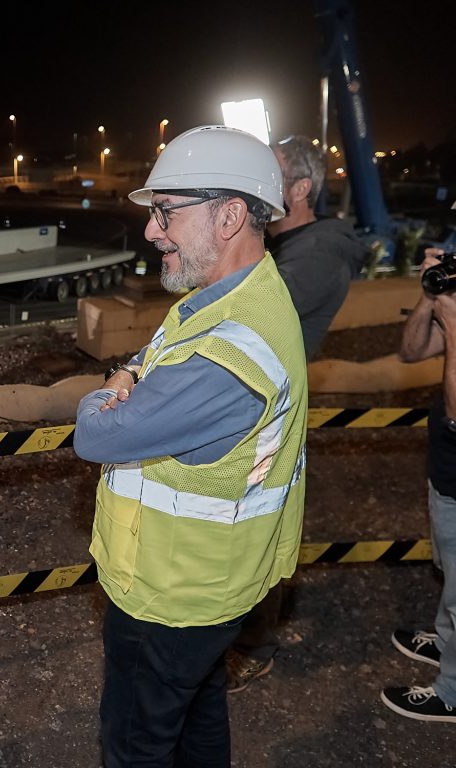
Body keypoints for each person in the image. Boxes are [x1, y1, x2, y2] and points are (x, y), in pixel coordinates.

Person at [73, 125, 309, 767]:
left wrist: (110, 385)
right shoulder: (230, 297)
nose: (152, 231)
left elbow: (94, 433)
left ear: (230, 215)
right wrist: (132, 372)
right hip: (206, 589)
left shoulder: (230, 354)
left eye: (166, 212)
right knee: (198, 711)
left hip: (172, 595)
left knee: (135, 741)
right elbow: (149, 360)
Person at [225, 134, 367, 693]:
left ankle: (253, 647)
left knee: (255, 528)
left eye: (273, 173)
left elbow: (244, 317)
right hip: (252, 403)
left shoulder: (314, 257)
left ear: (301, 189)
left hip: (265, 415)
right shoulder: (293, 248)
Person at [380, 247, 456, 723]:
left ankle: (451, 691)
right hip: (448, 468)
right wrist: (430, 296)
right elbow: (411, 352)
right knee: (451, 569)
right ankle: (447, 642)